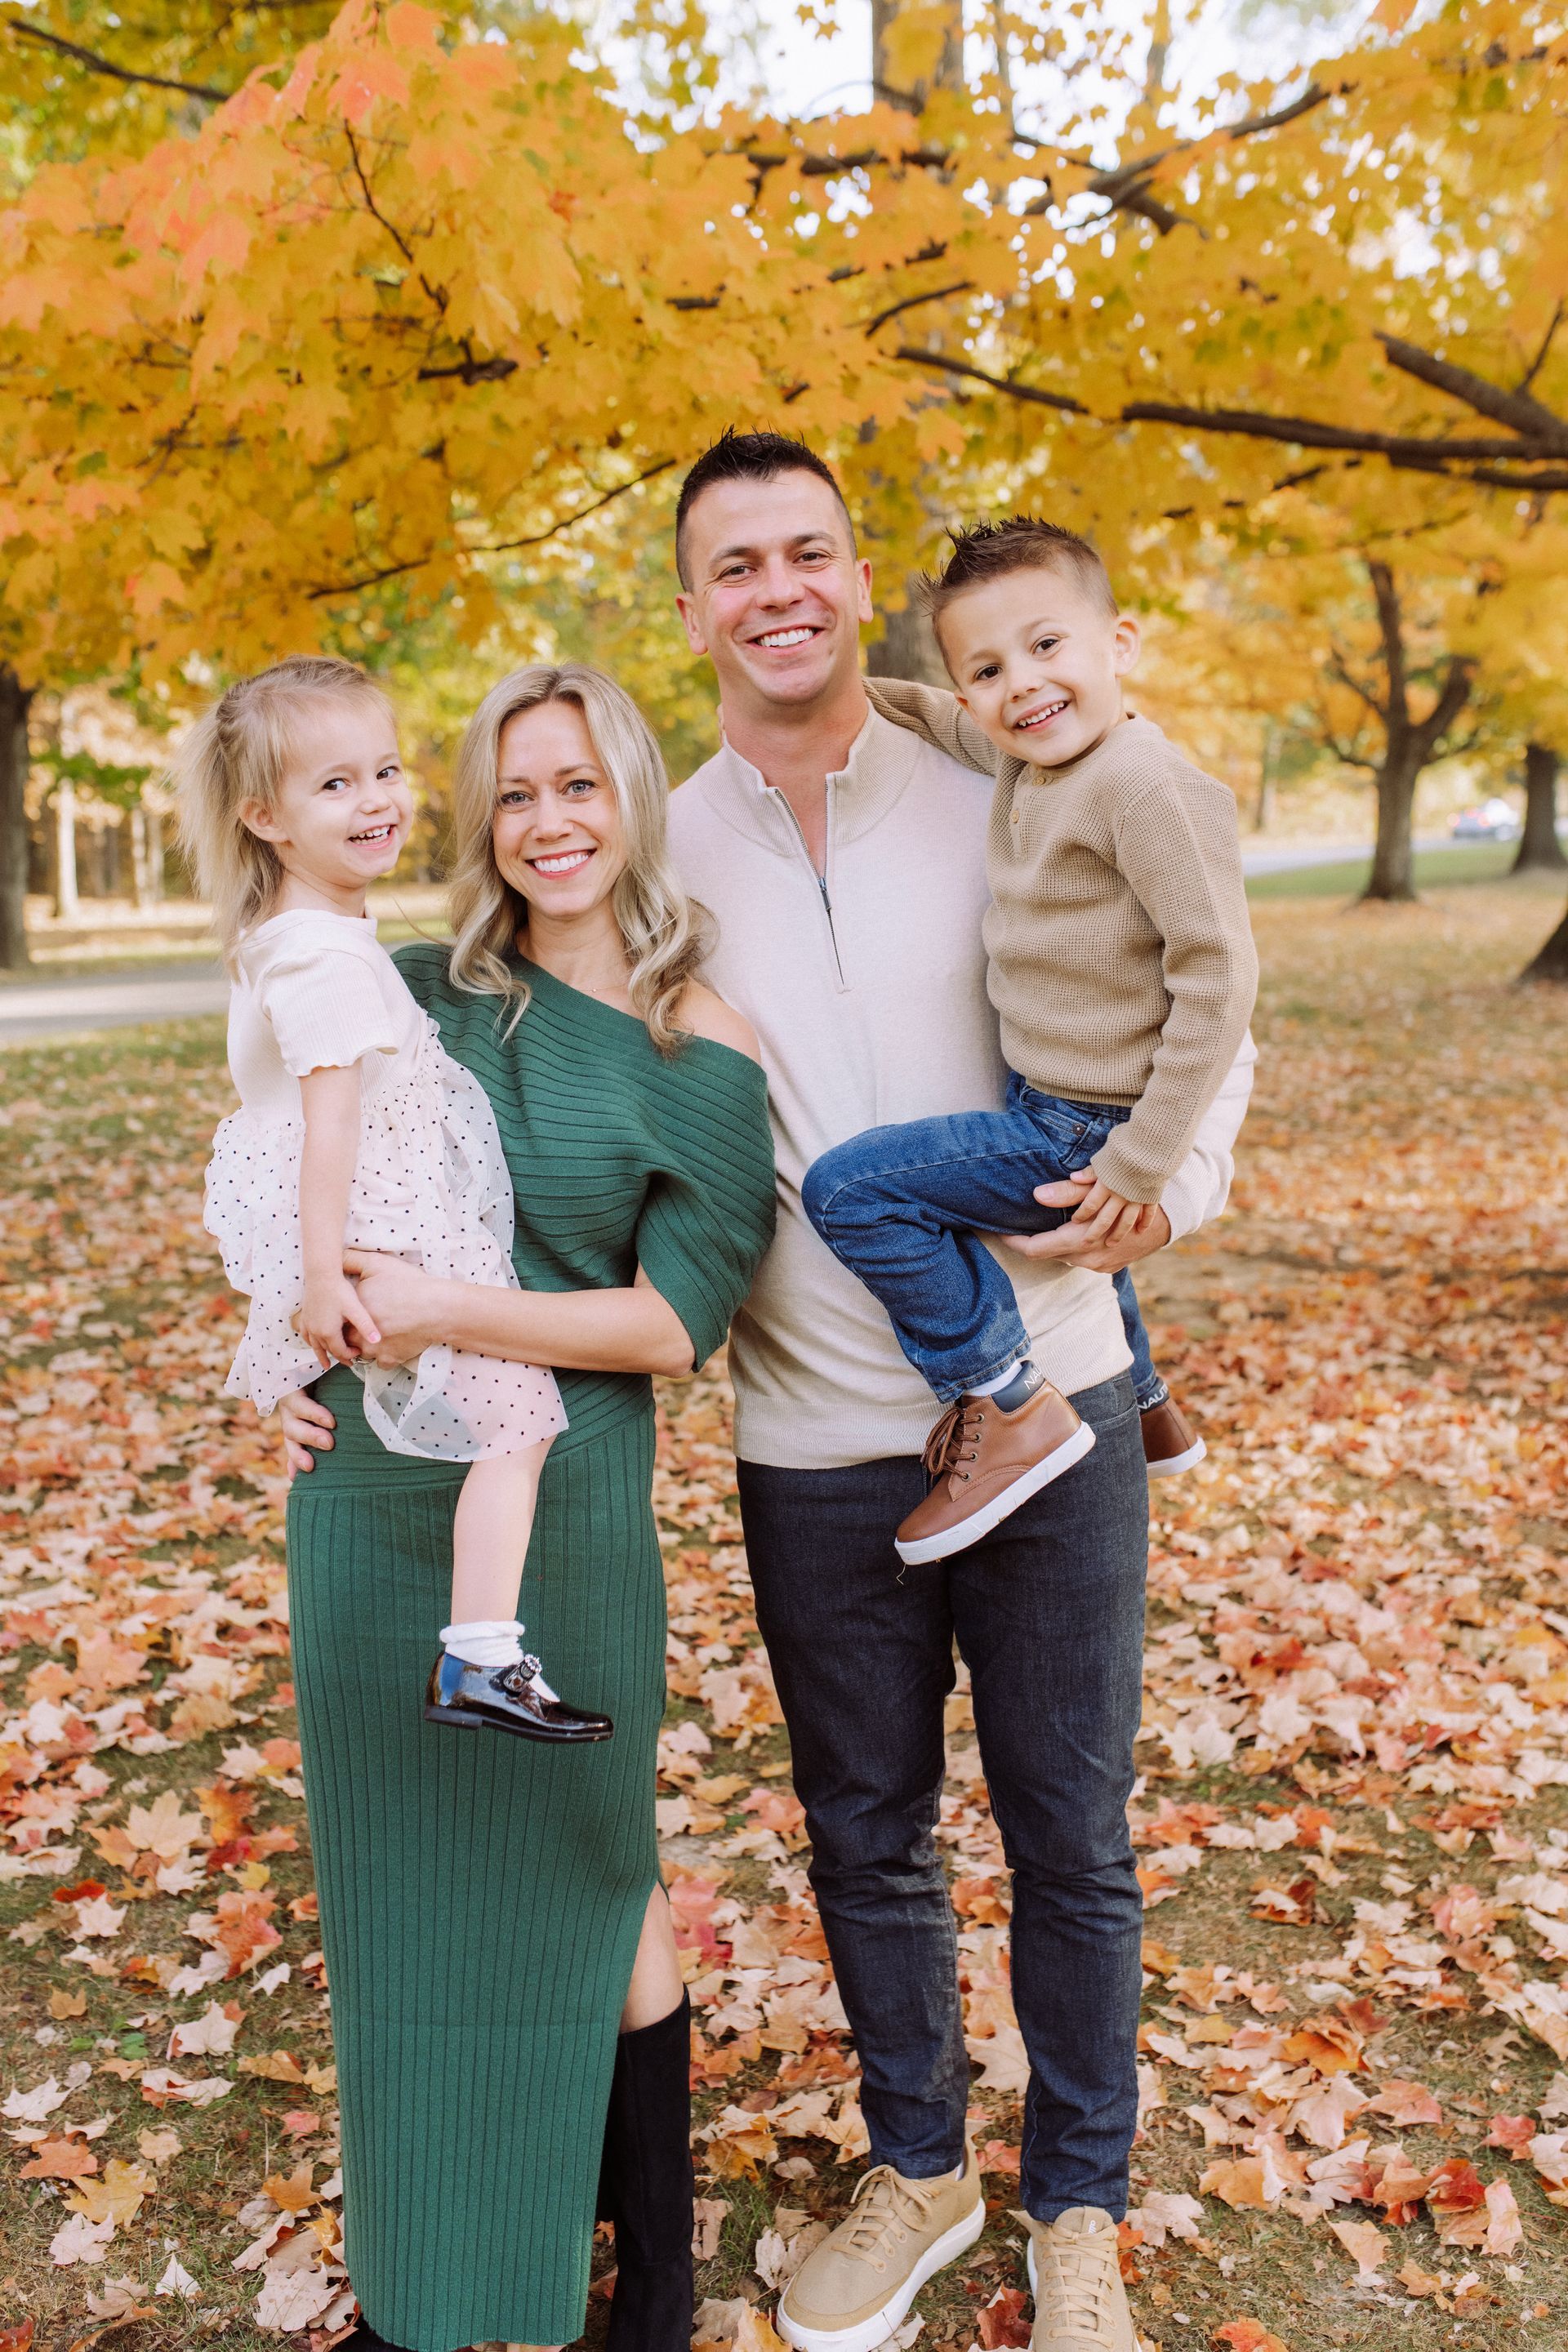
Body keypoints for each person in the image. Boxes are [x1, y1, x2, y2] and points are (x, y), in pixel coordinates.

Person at [666, 431, 1254, 2352]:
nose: (777, 588)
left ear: (853, 576)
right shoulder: (654, 844)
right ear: (693, 609)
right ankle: (916, 2160)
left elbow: (1193, 1002)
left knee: (1071, 1831)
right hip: (815, 1434)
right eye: (735, 562)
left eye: (807, 551)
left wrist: (1177, 1183)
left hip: (1056, 1396)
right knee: (867, 1829)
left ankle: (1077, 2201)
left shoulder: (995, 769)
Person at [274, 662, 775, 2352]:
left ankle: (658, 2274)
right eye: (513, 792)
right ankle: (432, 2266)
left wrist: (446, 1313)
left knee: (593, 1867)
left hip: (558, 1490)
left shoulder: (700, 1043)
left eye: (577, 785)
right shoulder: (407, 989)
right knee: (402, 1885)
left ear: (630, 793)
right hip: (373, 1483)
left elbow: (672, 1323)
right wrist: (279, 1354)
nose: (548, 821)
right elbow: (292, 1183)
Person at [801, 517, 1258, 1566]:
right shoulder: (1033, 761)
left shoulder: (1147, 784)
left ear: (1121, 645)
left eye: (1048, 648)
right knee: (1016, 1159)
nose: (1025, 686)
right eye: (990, 670)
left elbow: (1221, 975)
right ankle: (1143, 1399)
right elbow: (962, 730)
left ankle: (1005, 1396)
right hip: (1049, 1086)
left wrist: (1145, 1164)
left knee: (853, 1191)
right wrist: (862, 694)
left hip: (1088, 1126)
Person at [181, 654, 604, 1746]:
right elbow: (325, 1131)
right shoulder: (321, 958)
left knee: (503, 1418)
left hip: (368, 1228)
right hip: (384, 1233)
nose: (374, 801)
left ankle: (483, 1654)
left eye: (383, 770)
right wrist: (323, 1284)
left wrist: (295, 1336)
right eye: (335, 786)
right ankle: (481, 1656)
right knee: (520, 1422)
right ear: (265, 816)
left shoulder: (301, 937)